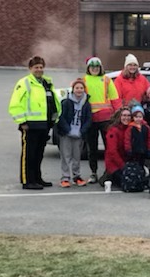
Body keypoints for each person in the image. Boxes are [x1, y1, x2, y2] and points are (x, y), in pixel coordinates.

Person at [8, 55, 61, 190]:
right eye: (36, 67)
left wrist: (53, 119)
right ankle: (27, 181)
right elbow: (15, 104)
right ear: (30, 68)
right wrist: (22, 122)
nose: (39, 69)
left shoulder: (46, 83)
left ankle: (37, 178)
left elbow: (51, 103)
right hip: (30, 125)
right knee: (29, 155)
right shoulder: (24, 83)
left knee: (38, 154)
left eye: (41, 67)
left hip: (44, 125)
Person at [83, 56, 121, 184]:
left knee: (109, 147)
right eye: (92, 67)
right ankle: (93, 172)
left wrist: (119, 115)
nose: (95, 69)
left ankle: (109, 170)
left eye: (97, 67)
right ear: (88, 68)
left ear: (100, 68)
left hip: (106, 119)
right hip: (90, 119)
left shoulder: (106, 80)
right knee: (92, 148)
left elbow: (115, 98)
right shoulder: (83, 80)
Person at [56, 77, 92, 188]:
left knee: (77, 156)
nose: (79, 90)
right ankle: (65, 177)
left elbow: (88, 119)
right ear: (73, 89)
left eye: (81, 88)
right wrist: (67, 129)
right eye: (77, 88)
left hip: (79, 134)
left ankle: (77, 176)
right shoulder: (66, 102)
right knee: (66, 156)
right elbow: (61, 117)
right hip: (66, 133)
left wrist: (82, 131)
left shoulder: (86, 104)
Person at [101, 107, 131, 187]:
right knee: (127, 183)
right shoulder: (113, 131)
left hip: (126, 161)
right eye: (124, 115)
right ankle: (108, 175)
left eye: (128, 116)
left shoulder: (131, 129)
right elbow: (112, 152)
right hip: (114, 163)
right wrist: (123, 166)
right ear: (119, 117)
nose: (126, 118)